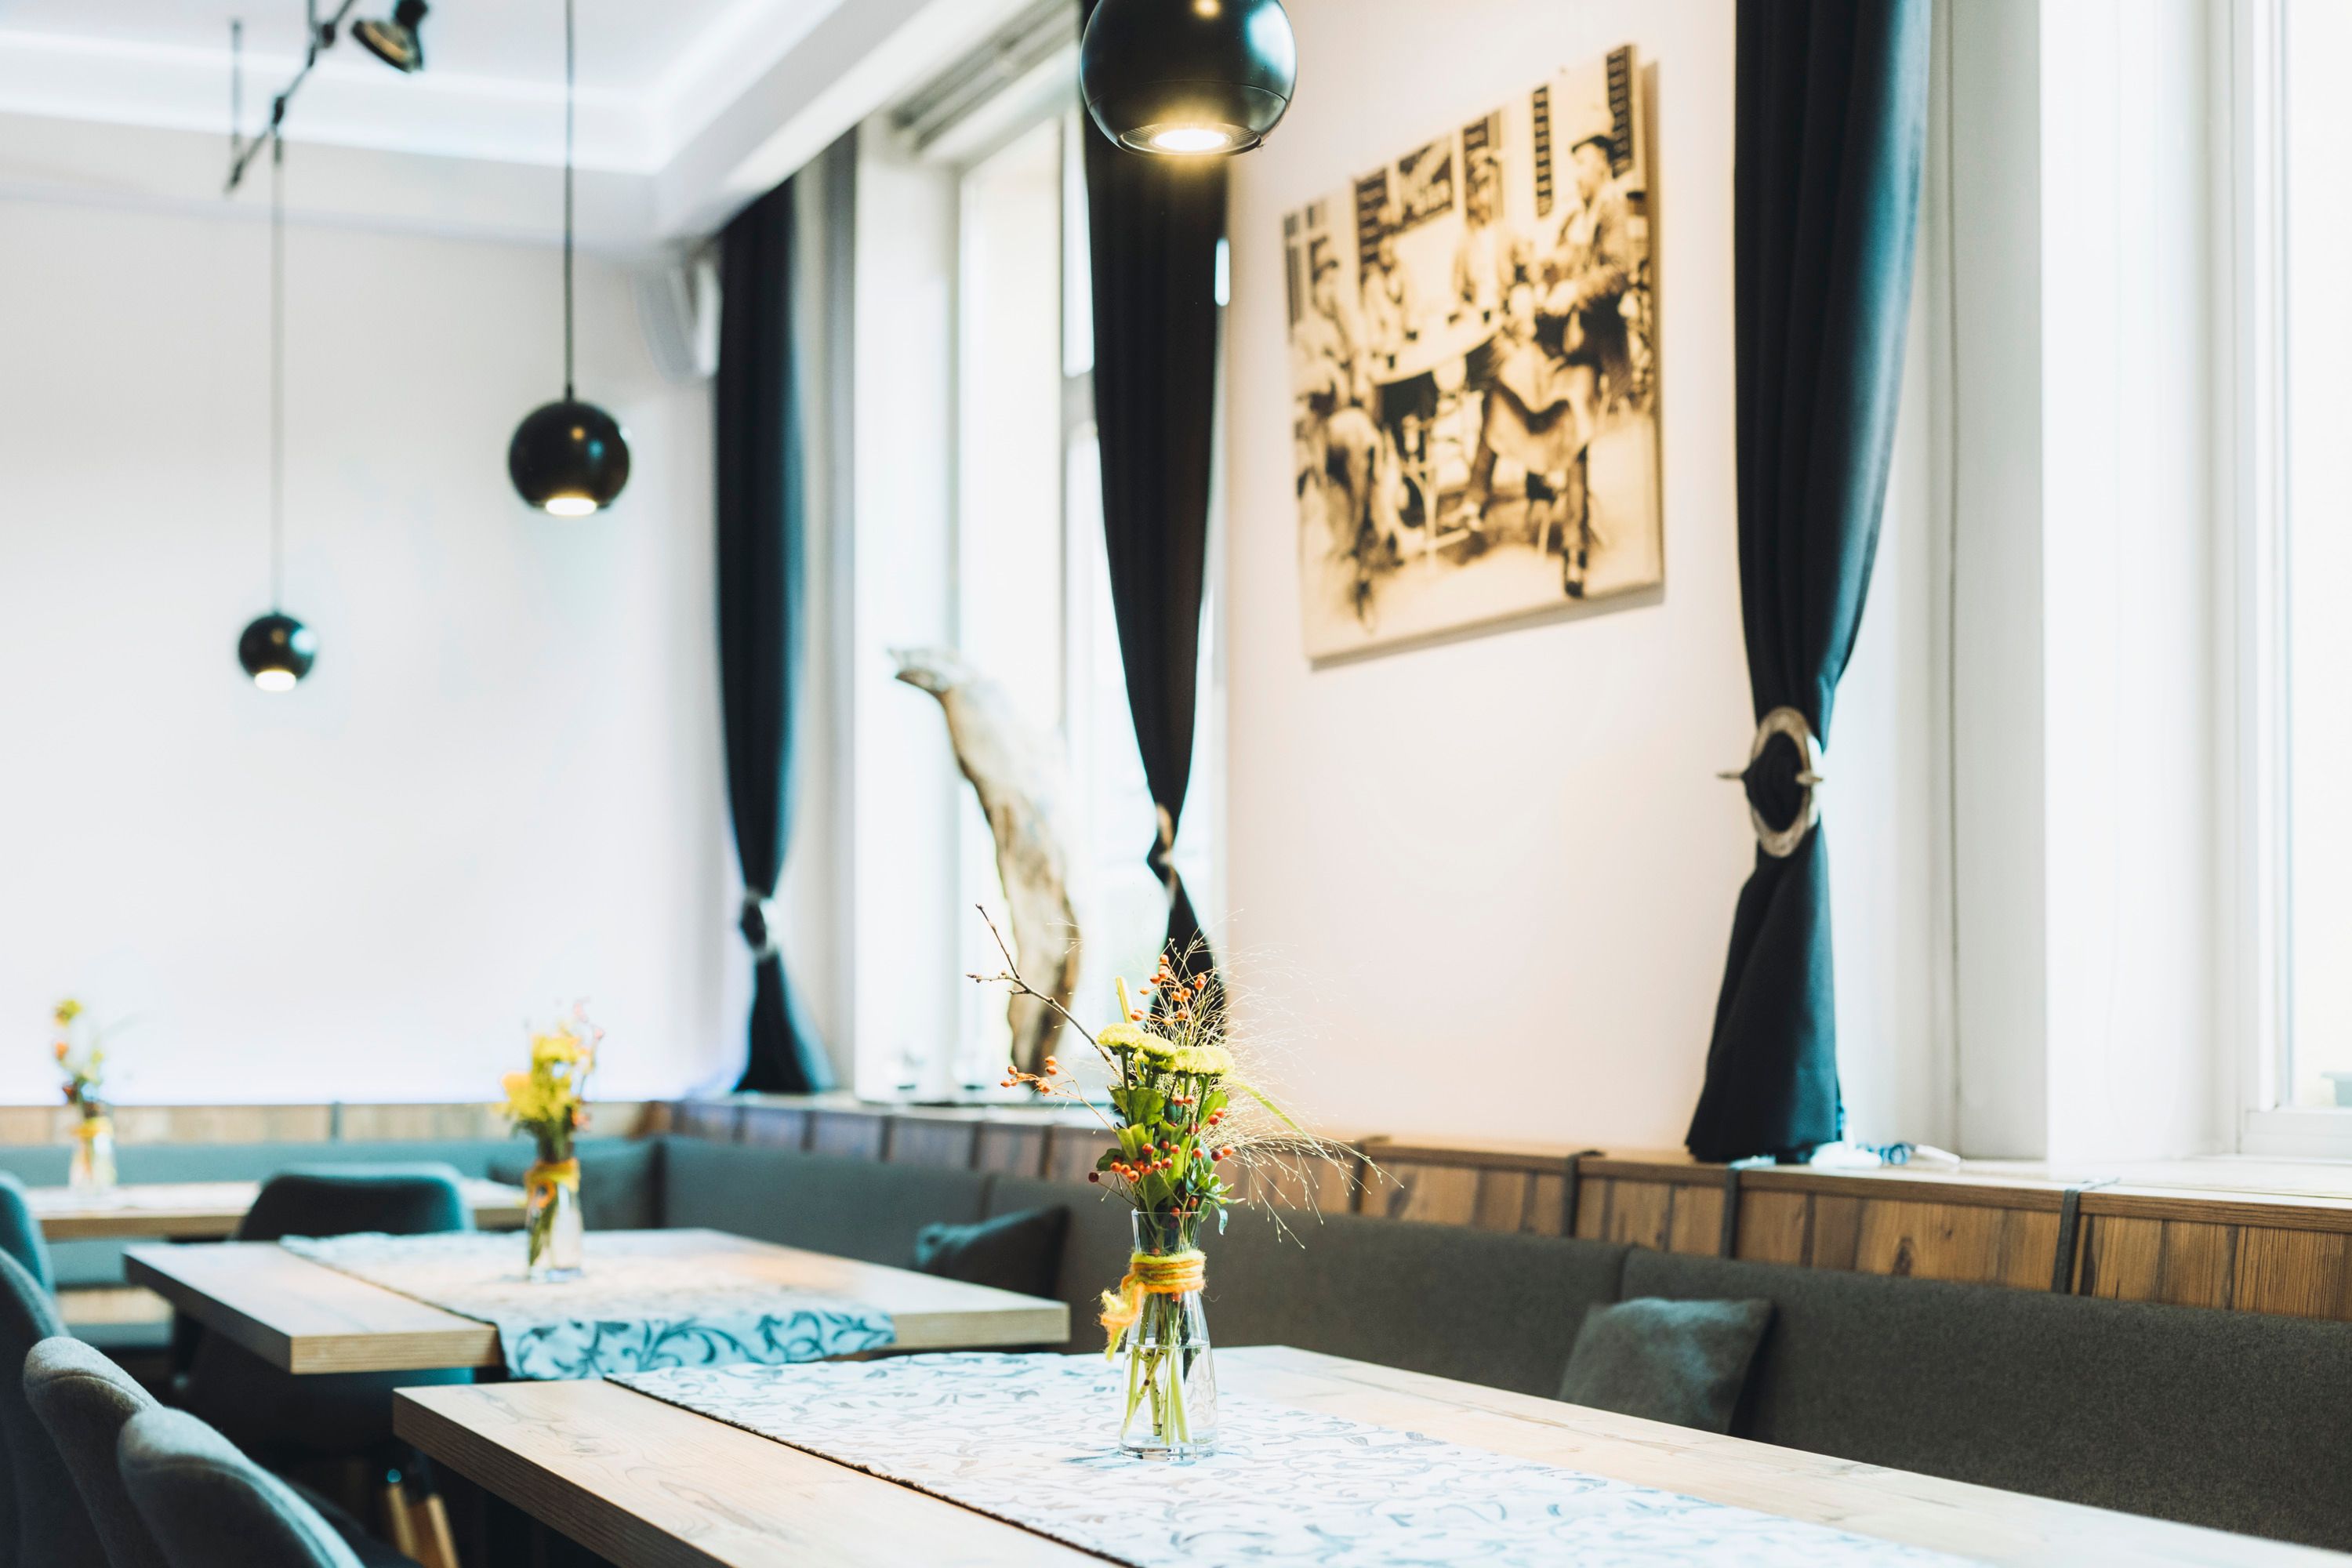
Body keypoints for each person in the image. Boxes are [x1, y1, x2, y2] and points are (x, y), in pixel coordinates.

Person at [1454, 127, 1635, 597]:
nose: (1576, 173)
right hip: (1556, 343)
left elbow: (1618, 272)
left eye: (1582, 163)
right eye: (1574, 164)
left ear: (1601, 164)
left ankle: (1574, 547)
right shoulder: (1577, 213)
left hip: (1589, 348)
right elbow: (1559, 262)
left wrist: (1574, 289)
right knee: (1502, 387)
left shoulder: (1611, 204)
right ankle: (1487, 496)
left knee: (1572, 422)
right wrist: (1542, 274)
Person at [1292, 253, 1384, 619]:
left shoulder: (1344, 321)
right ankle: (1370, 535)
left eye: (1335, 281)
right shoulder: (1304, 332)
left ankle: (1363, 555)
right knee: (1364, 438)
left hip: (1349, 422)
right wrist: (1325, 370)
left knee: (1366, 445)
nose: (1331, 290)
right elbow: (1297, 384)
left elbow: (1360, 360)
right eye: (1325, 282)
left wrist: (1359, 366)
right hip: (1323, 430)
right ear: (1314, 286)